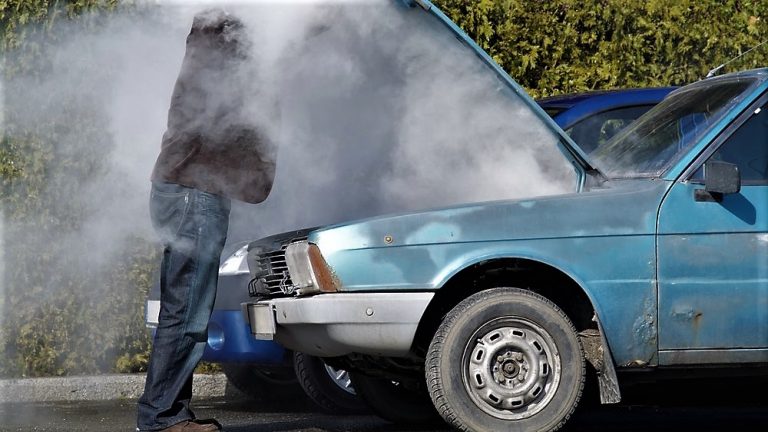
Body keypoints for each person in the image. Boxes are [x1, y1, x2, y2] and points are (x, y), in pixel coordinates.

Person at [137, 8, 276, 432]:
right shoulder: (222, 30)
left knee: (182, 310)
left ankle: (165, 413)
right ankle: (162, 418)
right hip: (194, 194)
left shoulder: (215, 31)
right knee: (186, 314)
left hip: (190, 189)